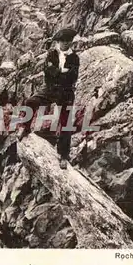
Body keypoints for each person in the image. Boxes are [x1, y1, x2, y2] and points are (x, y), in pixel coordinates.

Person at [16, 27, 80, 170]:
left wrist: (58, 73)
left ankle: (63, 155)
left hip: (66, 92)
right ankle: (24, 127)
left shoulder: (74, 58)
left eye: (68, 41)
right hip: (50, 88)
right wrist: (62, 73)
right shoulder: (52, 54)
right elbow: (48, 72)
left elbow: (73, 77)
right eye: (62, 41)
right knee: (31, 102)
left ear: (71, 42)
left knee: (65, 122)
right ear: (58, 42)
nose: (65, 44)